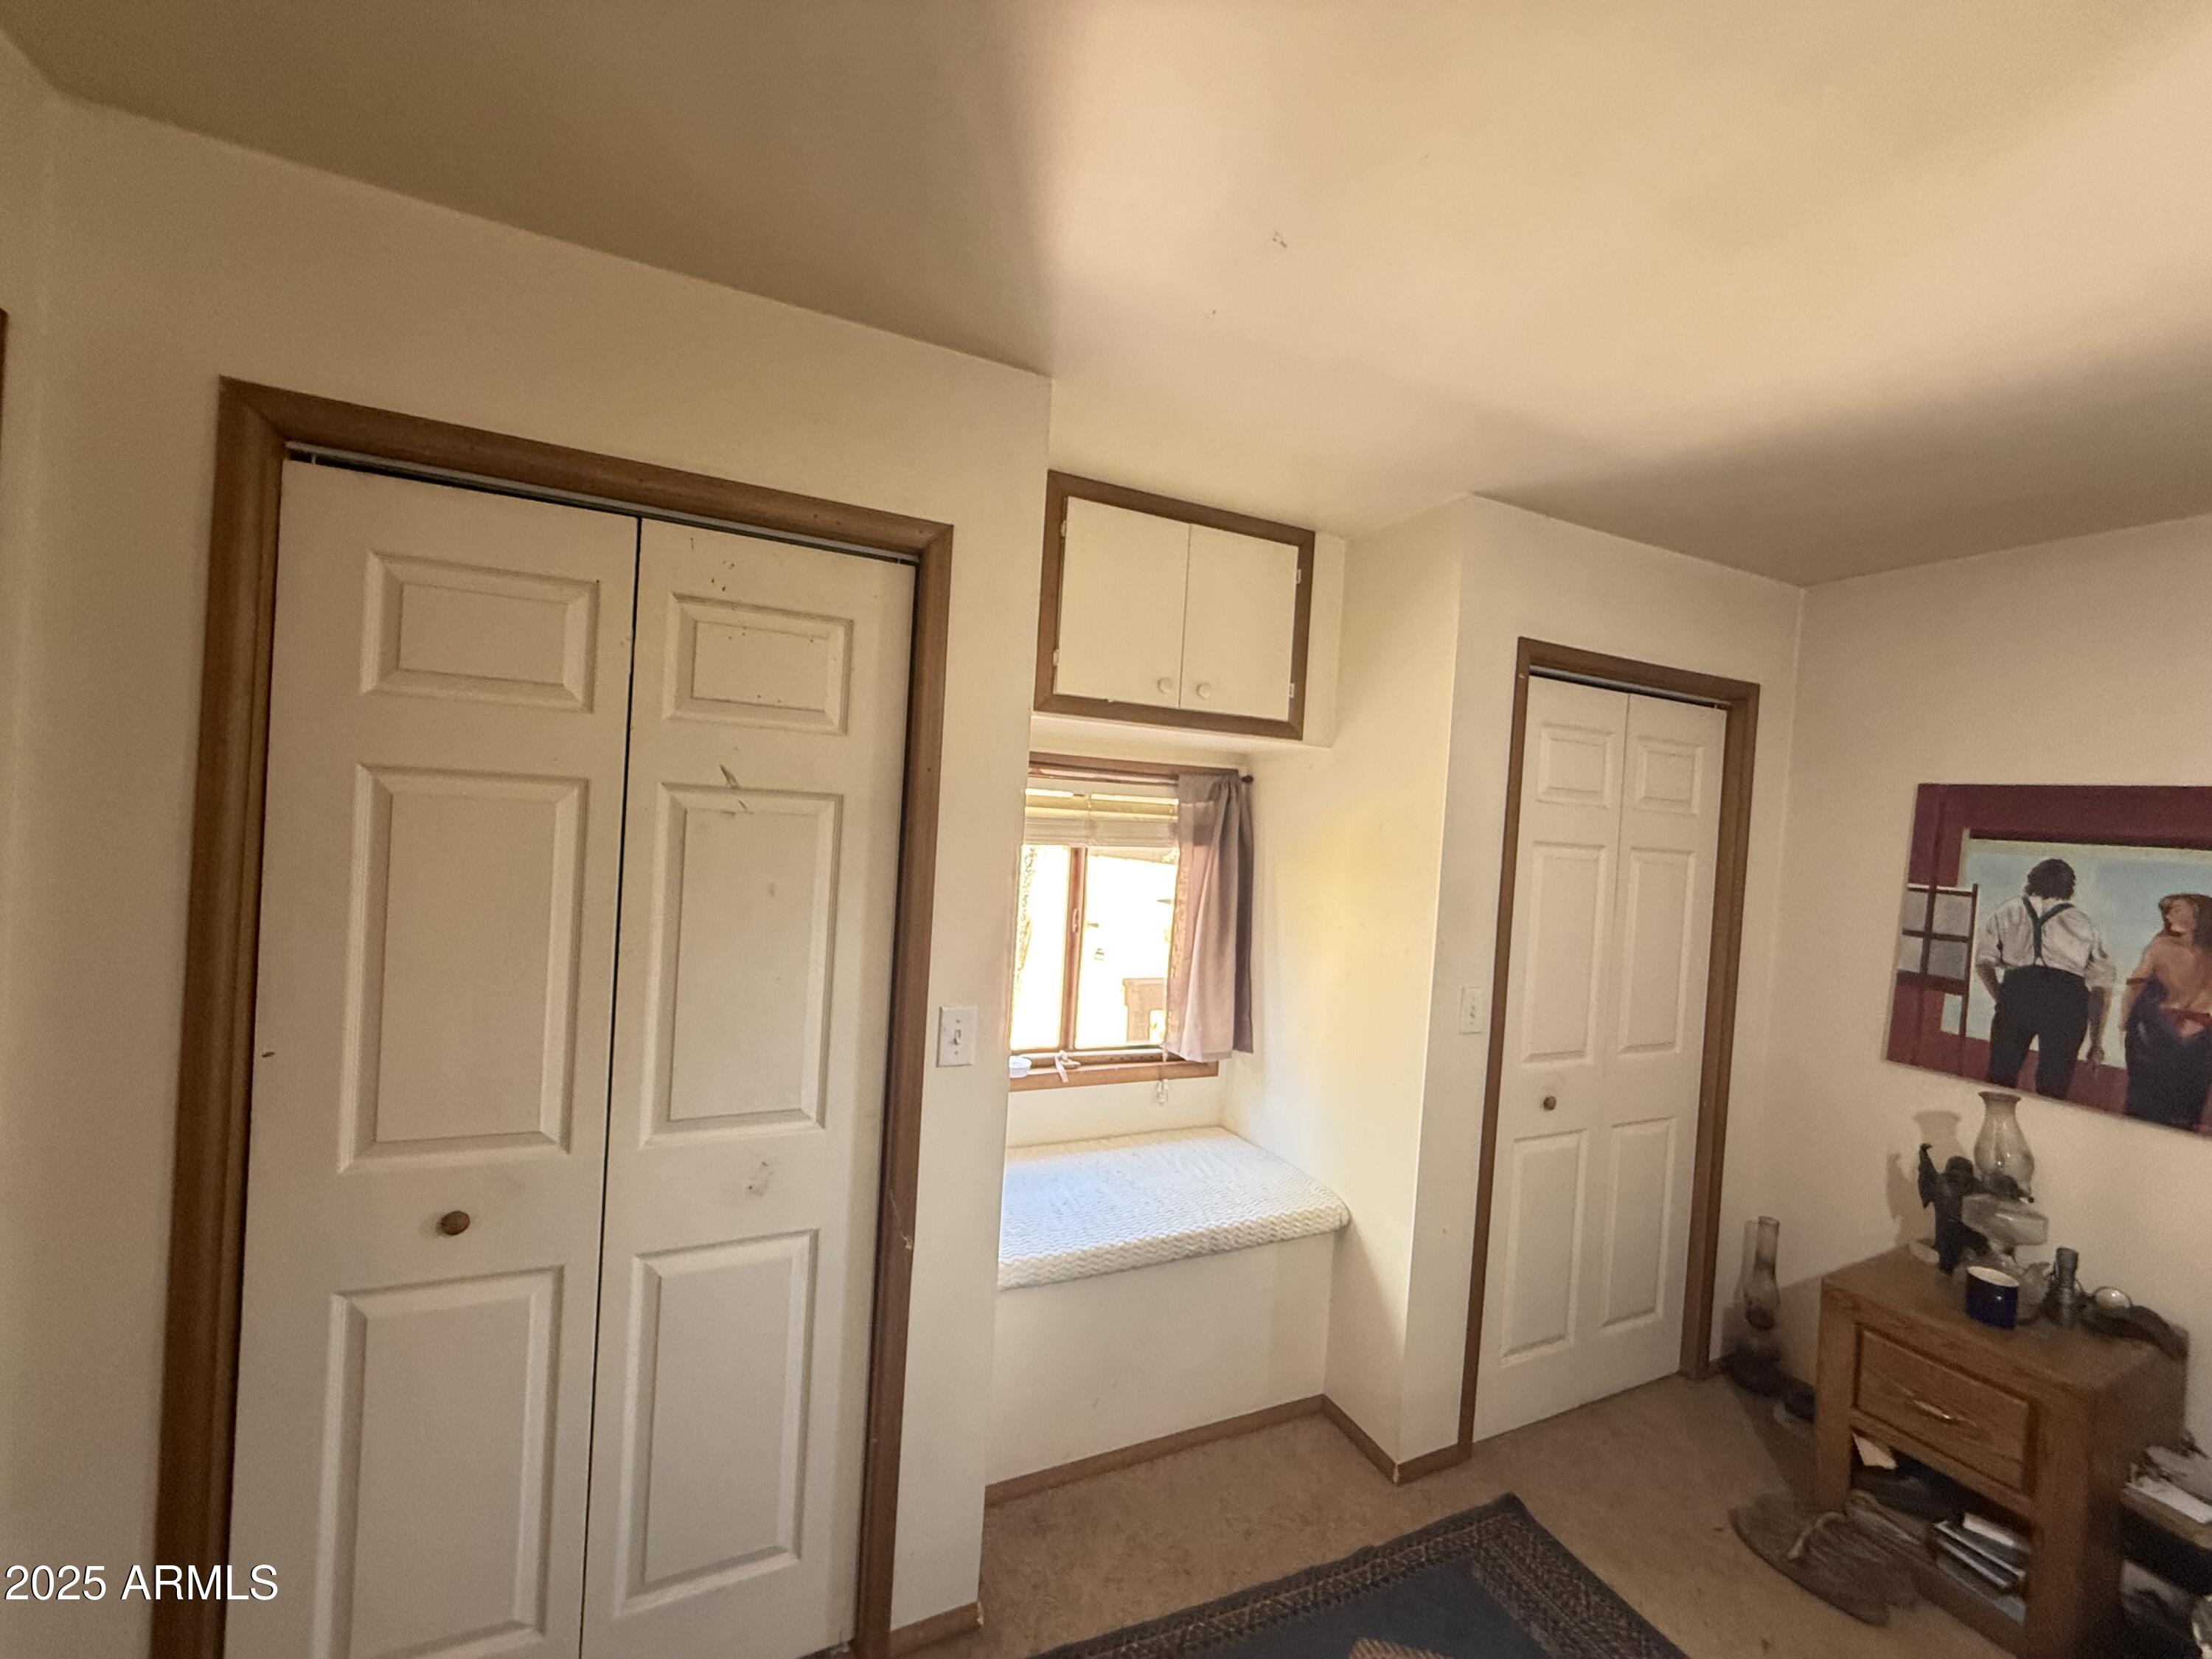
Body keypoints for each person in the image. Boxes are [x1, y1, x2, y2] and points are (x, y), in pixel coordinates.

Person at [1974, 858, 2115, 1099]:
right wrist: (2096, 1043)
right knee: (2054, 1084)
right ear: (2070, 887)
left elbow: (1983, 963)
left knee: (2001, 1075)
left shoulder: (2008, 911)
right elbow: (2101, 989)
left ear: (2032, 880)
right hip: (2067, 1001)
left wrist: (2002, 997)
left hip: (2018, 991)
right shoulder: (2084, 923)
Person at [2121, 893, 2212, 1130]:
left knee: (2172, 1111)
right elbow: (2135, 986)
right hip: (2177, 1032)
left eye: (2178, 910)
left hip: (2186, 1036)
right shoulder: (2161, 945)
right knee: (2165, 1111)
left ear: (2200, 915)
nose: (2170, 915)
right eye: (2169, 910)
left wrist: (2125, 1024)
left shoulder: (2161, 946)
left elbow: (2135, 987)